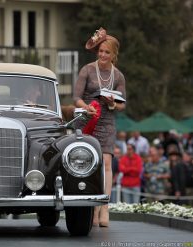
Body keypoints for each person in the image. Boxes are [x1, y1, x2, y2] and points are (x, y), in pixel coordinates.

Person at [72, 27, 126, 227]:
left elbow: (122, 104)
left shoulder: (118, 76)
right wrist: (85, 107)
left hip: (107, 122)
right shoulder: (87, 69)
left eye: (107, 52)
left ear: (113, 55)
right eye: (100, 51)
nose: (103, 55)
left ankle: (104, 208)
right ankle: (91, 209)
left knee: (106, 163)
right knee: (88, 163)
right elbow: (76, 97)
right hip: (87, 119)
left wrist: (112, 103)